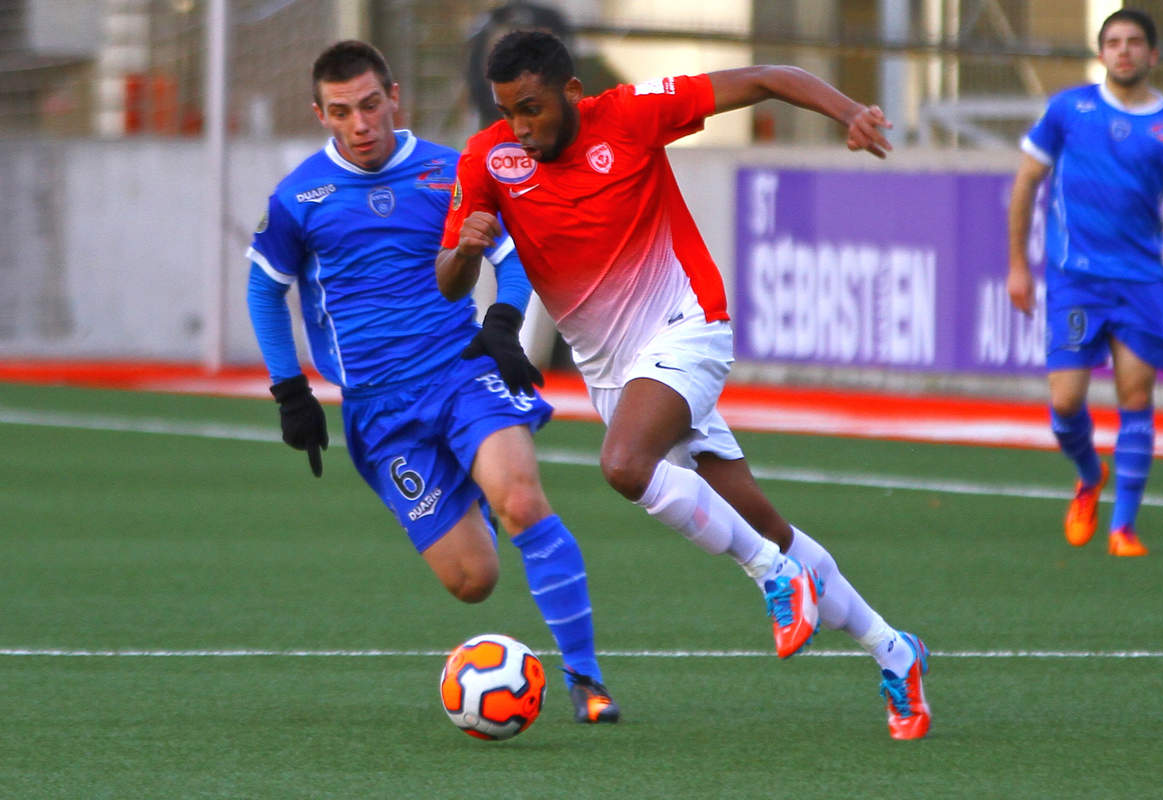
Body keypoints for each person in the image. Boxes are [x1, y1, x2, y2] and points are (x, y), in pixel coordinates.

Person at [438, 30, 930, 740]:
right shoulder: (489, 158)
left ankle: (771, 576)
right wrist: (467, 248)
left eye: (534, 109)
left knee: (624, 465)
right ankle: (894, 648)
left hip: (687, 323)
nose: (521, 126)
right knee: (762, 519)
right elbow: (448, 278)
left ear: (572, 93)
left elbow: (767, 74)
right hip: (616, 371)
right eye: (509, 111)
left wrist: (848, 109)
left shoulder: (634, 114)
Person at [244, 40, 618, 723]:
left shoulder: (451, 172)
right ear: (320, 115)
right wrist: (288, 391)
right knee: (474, 581)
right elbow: (266, 291)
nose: (360, 124)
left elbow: (513, 256)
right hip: (380, 413)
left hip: (460, 374)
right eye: (341, 111)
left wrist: (502, 324)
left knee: (525, 502)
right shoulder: (300, 198)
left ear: (394, 98)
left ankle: (587, 680)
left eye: (369, 105)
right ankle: (473, 489)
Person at [1008, 9, 1163, 557]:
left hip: (1142, 283)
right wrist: (1018, 264)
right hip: (1075, 280)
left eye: (1134, 42)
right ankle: (1089, 476)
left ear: (1153, 54)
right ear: (1101, 54)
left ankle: (1124, 526)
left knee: (1136, 395)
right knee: (1066, 401)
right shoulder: (1070, 110)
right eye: (1113, 42)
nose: (1124, 51)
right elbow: (1026, 183)